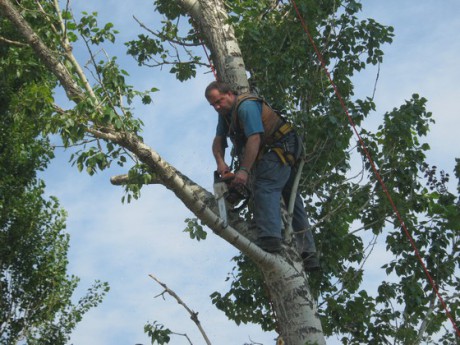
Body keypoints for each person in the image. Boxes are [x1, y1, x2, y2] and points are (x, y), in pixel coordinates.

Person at [205, 81, 320, 271]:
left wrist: (243, 172)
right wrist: (221, 163)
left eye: (219, 101)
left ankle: (271, 239)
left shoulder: (246, 107)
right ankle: (308, 253)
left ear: (230, 94)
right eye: (213, 105)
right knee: (292, 197)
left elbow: (255, 138)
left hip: (281, 146)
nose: (217, 107)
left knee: (265, 187)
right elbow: (218, 141)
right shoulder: (224, 115)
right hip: (271, 150)